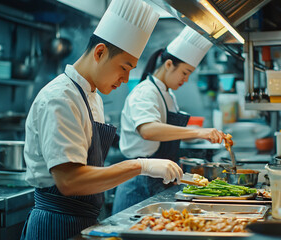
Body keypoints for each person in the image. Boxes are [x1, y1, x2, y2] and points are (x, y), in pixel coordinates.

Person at [20, 0, 184, 239]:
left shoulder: (91, 95)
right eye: (124, 67)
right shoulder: (60, 98)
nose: (126, 79)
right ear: (99, 52)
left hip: (84, 221)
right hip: (55, 225)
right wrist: (141, 165)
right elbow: (69, 180)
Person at [112, 26, 233, 214]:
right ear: (168, 64)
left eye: (189, 74)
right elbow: (148, 130)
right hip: (139, 178)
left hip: (160, 176)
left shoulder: (167, 94)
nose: (185, 79)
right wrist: (198, 132)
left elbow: (169, 133)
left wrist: (205, 135)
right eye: (185, 72)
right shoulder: (145, 92)